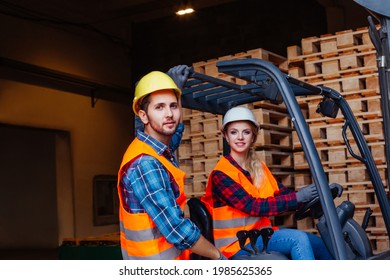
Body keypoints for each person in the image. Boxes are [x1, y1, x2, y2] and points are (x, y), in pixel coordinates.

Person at [201, 106, 340, 260]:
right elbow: (253, 206)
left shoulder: (258, 167)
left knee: (321, 244)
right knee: (298, 239)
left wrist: (320, 192)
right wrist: (299, 197)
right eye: (234, 132)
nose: (240, 137)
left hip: (261, 235)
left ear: (253, 137)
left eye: (246, 132)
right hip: (237, 244)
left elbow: (282, 194)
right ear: (226, 136)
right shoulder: (221, 175)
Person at [117, 66, 225, 260]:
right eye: (159, 107)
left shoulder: (159, 151)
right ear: (143, 116)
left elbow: (174, 136)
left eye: (173, 106)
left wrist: (178, 91)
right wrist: (218, 256)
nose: (169, 114)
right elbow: (177, 229)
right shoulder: (145, 164)